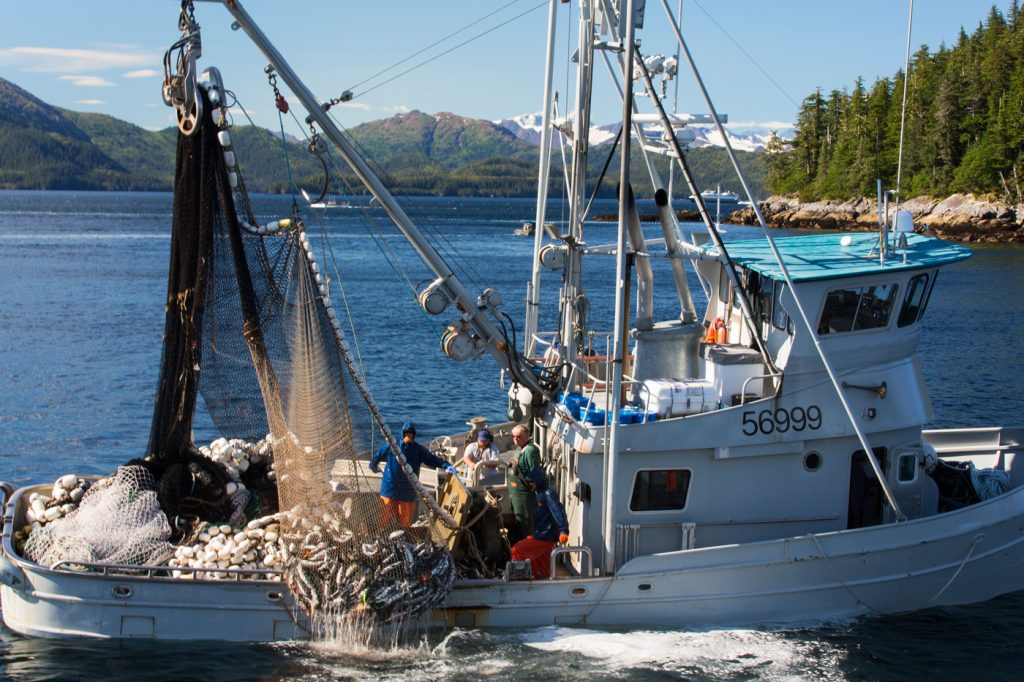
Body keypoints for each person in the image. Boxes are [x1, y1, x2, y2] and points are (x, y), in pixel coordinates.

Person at [369, 421, 456, 527]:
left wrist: (446, 465)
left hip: (408, 491)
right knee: (384, 519)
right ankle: (382, 535)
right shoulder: (391, 446)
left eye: (411, 433)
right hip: (389, 488)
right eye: (407, 433)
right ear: (403, 433)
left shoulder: (418, 450)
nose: (409, 435)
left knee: (405, 521)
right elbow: (376, 457)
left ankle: (402, 539)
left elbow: (432, 460)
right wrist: (373, 466)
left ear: (414, 435)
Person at [510, 469, 569, 579]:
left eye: (532, 482)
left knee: (517, 551)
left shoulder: (548, 494)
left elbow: (558, 512)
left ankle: (518, 579)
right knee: (541, 561)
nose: (530, 484)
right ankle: (542, 580)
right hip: (542, 533)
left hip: (545, 535)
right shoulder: (540, 494)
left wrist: (563, 530)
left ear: (538, 481)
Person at [509, 424, 542, 541]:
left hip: (524, 496)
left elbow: (535, 472)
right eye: (514, 436)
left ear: (527, 436)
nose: (515, 439)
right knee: (518, 521)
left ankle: (528, 549)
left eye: (519, 437)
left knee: (526, 524)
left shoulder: (530, 451)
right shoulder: (519, 449)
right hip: (515, 494)